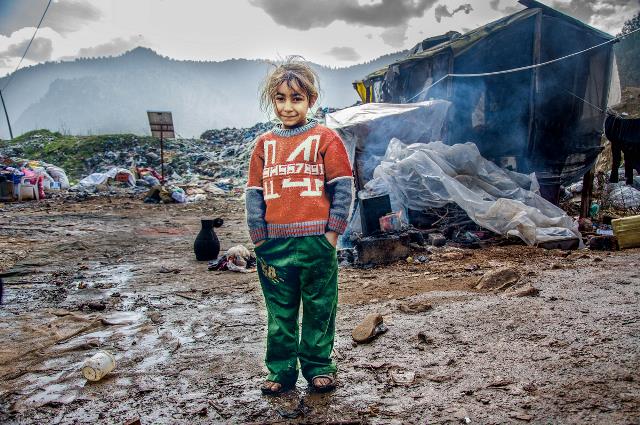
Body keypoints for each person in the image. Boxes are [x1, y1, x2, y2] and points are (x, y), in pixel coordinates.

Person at [245, 57, 354, 395]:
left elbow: (343, 186)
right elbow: (254, 194)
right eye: (280, 98)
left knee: (321, 307)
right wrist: (260, 238)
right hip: (273, 247)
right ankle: (281, 371)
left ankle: (319, 366)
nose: (288, 106)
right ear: (272, 100)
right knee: (280, 312)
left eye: (296, 98)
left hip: (316, 243)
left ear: (311, 101)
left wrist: (332, 233)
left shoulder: (325, 138)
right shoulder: (264, 145)